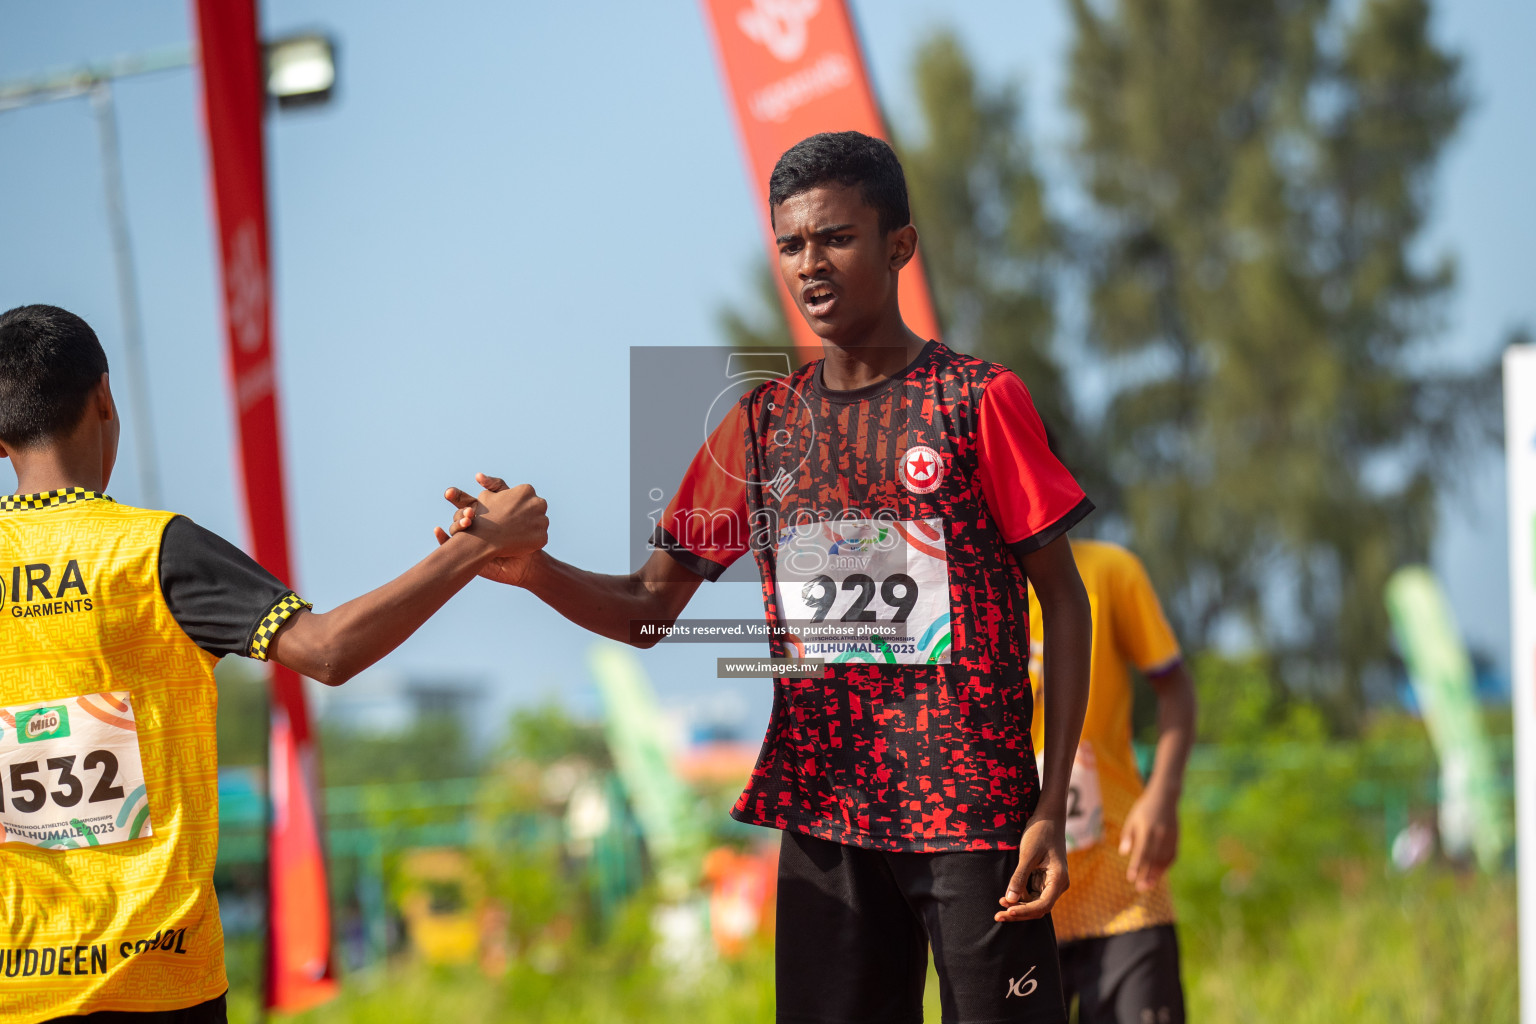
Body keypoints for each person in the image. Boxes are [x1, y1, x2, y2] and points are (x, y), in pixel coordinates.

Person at [446, 132, 1095, 1024]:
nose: (808, 265)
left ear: (899, 246)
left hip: (972, 815)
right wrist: (534, 570)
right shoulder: (759, 427)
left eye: (835, 238)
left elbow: (1063, 596)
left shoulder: (978, 400)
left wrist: (1048, 805)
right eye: (790, 245)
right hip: (828, 816)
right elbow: (648, 608)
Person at [0, 304, 547, 1023]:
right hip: (161, 984)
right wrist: (472, 547)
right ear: (104, 397)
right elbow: (326, 651)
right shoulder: (153, 550)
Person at [1025, 513, 1198, 1023]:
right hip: (1015, 895)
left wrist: (1162, 795)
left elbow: (1176, 688)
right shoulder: (963, 589)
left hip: (1121, 880)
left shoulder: (1108, 571)